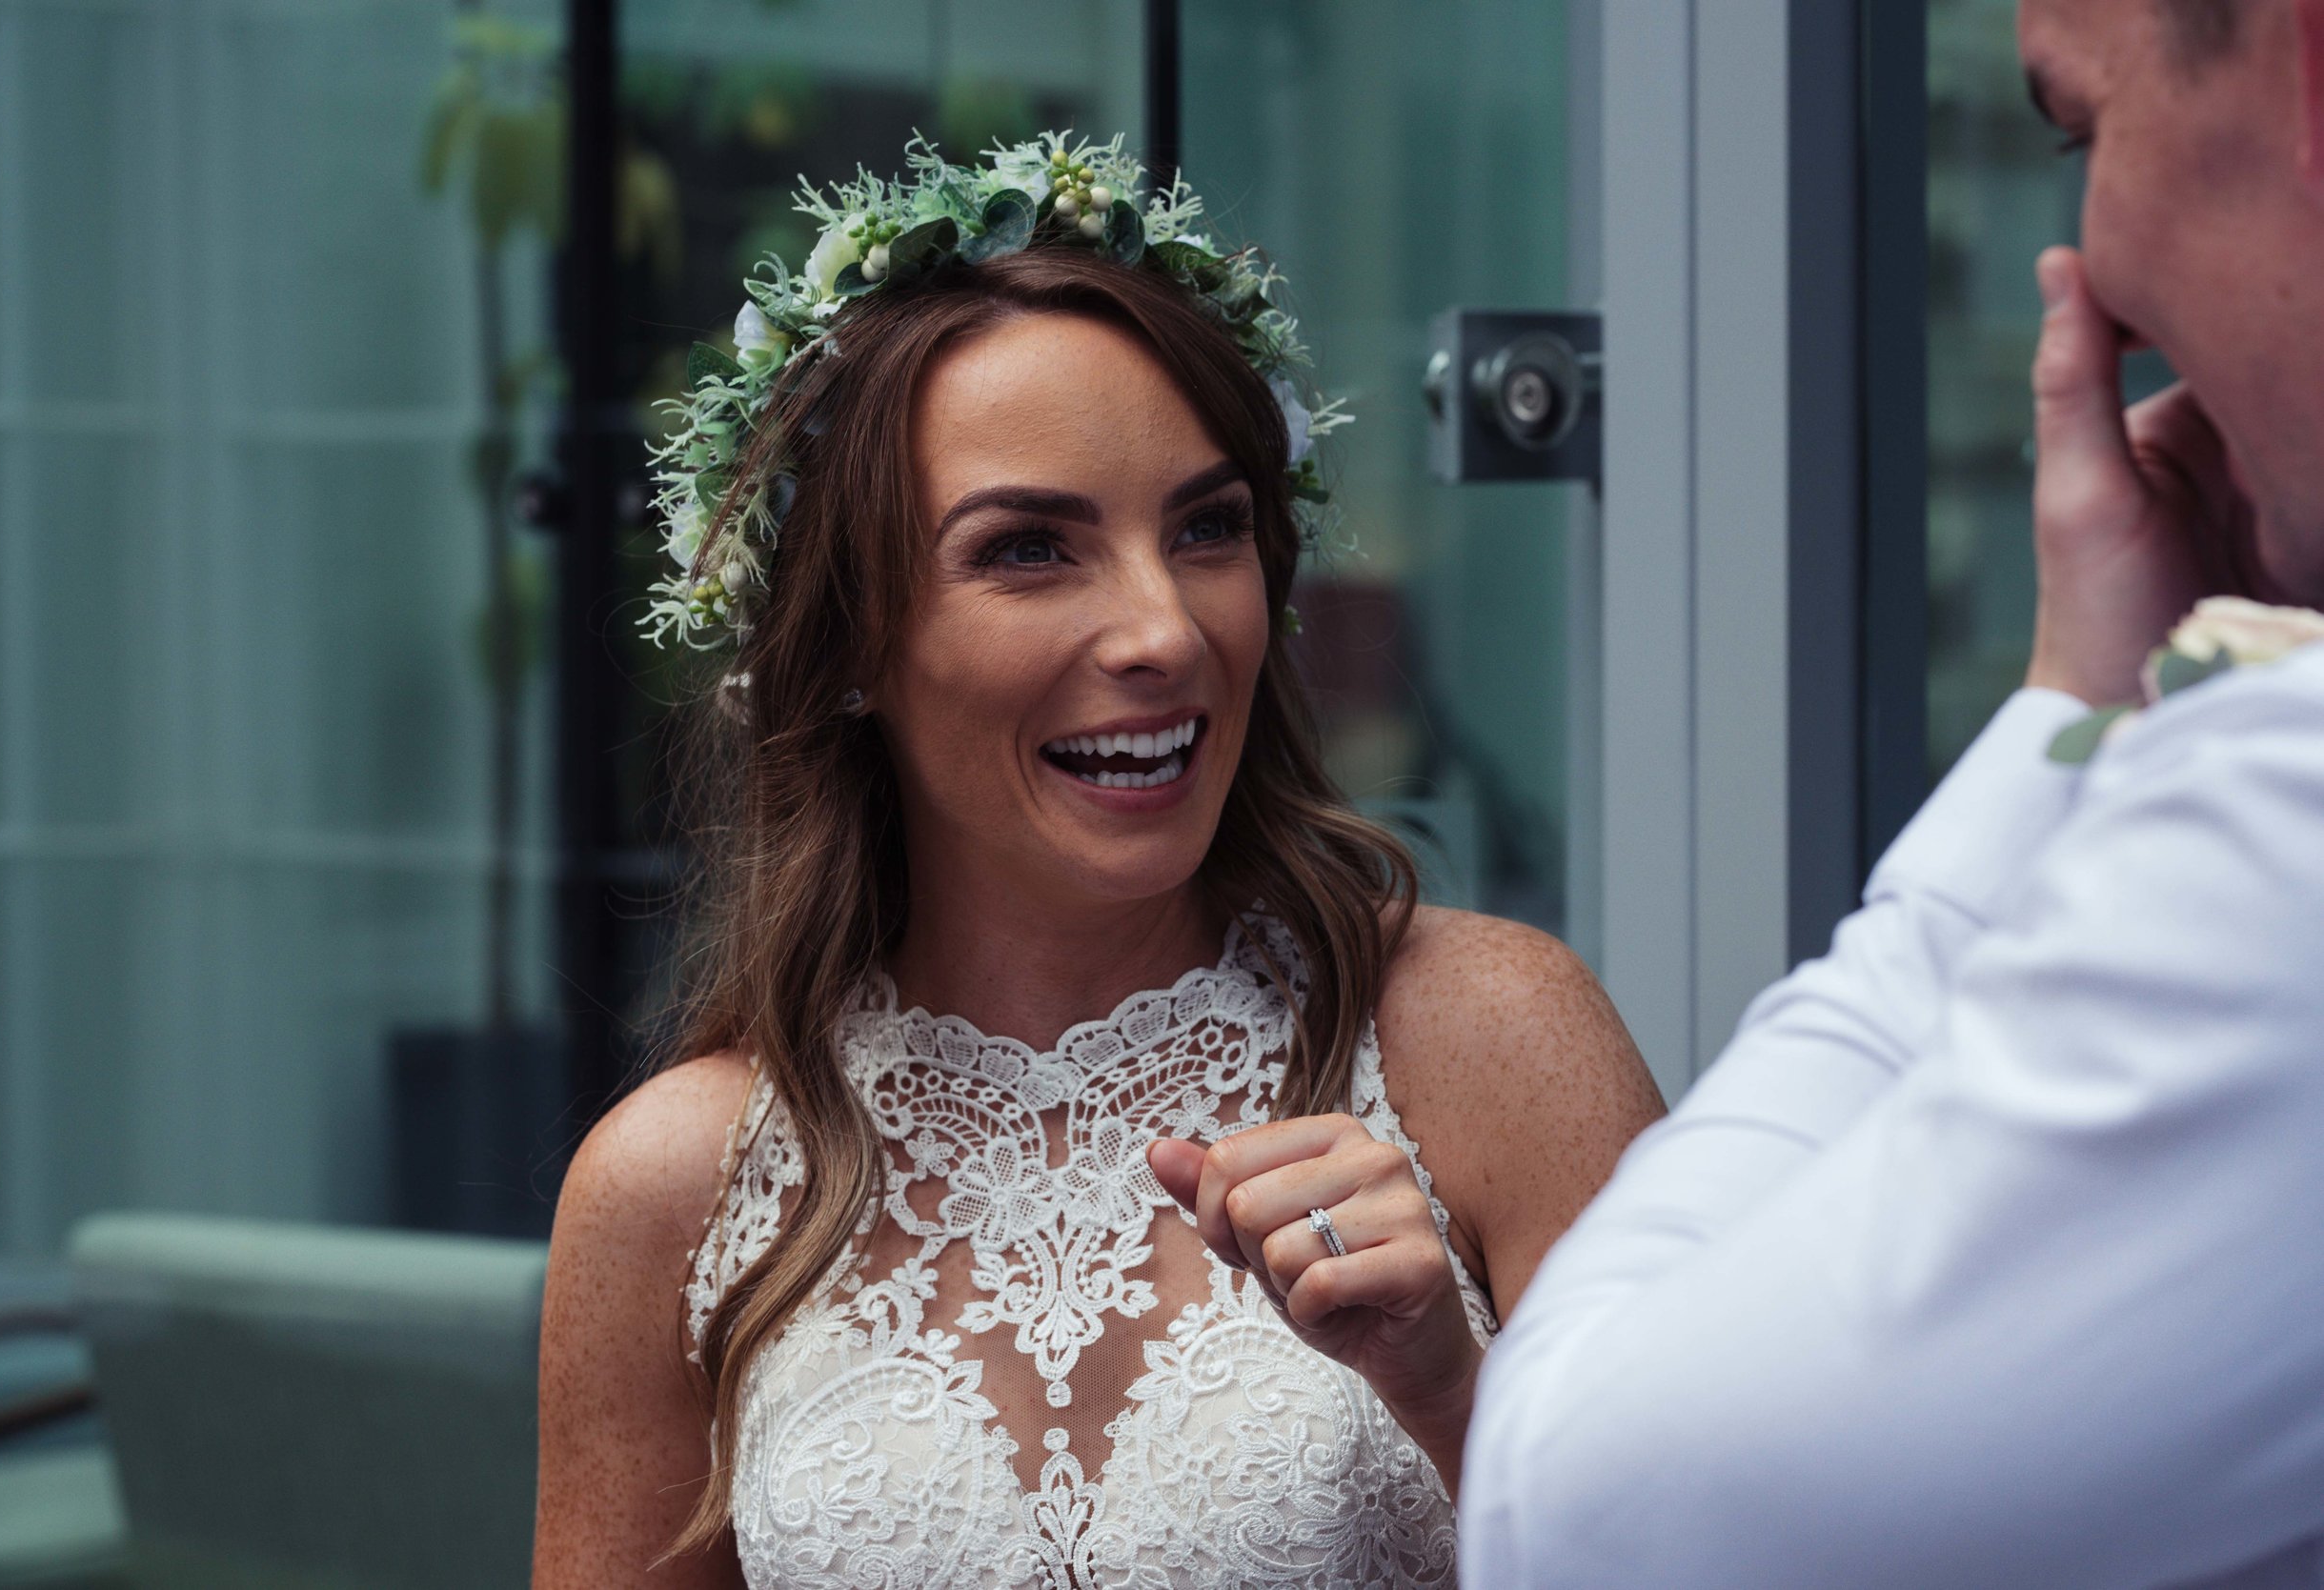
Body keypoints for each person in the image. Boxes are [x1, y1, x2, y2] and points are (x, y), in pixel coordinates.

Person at [531, 134, 1661, 1588]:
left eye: (1208, 528)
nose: (1166, 632)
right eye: (1029, 551)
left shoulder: (1492, 1038)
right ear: (853, 637)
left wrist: (1458, 1398)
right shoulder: (673, 1189)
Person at [1459, 1, 2324, 1585]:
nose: (2092, 279)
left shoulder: (2294, 824)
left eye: (2083, 130)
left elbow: (1591, 1513)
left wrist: (2073, 708)